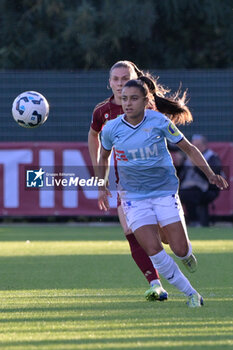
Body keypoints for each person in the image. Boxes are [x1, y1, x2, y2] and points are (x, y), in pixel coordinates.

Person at [98, 77, 228, 307]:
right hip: (133, 198)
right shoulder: (111, 129)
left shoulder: (158, 121)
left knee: (179, 249)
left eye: (134, 99)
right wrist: (102, 183)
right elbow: (104, 155)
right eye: (125, 99)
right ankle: (191, 295)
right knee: (154, 250)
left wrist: (210, 175)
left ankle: (187, 255)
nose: (128, 103)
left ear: (146, 101)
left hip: (163, 192)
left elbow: (188, 148)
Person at [88, 61, 168, 301]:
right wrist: (100, 178)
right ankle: (155, 284)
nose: (120, 83)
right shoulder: (102, 111)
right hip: (127, 184)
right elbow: (94, 135)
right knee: (129, 229)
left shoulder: (147, 106)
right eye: (116, 79)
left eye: (125, 78)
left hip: (156, 181)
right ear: (109, 82)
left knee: (166, 237)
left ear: (135, 80)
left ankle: (177, 252)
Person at [179, 134, 222, 226]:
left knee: (189, 194)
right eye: (193, 146)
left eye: (198, 146)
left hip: (206, 188)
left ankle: (195, 221)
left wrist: (196, 165)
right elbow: (181, 175)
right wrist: (179, 164)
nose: (195, 149)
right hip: (186, 187)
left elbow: (214, 175)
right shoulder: (187, 157)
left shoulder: (212, 157)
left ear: (204, 145)